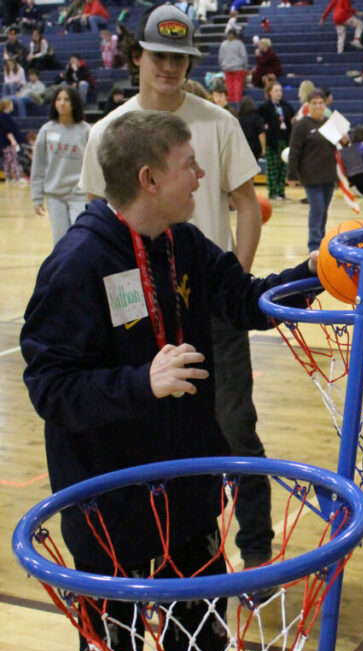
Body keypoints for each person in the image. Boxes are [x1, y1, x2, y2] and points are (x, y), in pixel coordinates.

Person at [22, 108, 317, 651]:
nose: (202, 177)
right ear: (148, 180)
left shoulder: (183, 242)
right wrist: (140, 383)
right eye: (189, 166)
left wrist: (318, 273)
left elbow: (244, 299)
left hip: (186, 495)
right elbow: (50, 387)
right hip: (111, 511)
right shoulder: (78, 263)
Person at [80, 4, 276, 573]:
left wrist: (230, 286)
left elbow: (247, 206)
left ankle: (257, 549)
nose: (169, 66)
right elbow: (99, 224)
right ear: (138, 56)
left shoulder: (218, 123)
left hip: (208, 305)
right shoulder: (107, 132)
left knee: (236, 429)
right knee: (155, 434)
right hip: (139, 316)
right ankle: (168, 551)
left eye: (180, 57)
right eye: (159, 55)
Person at [31, 86, 89, 242]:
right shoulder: (46, 130)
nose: (62, 103)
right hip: (55, 195)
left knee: (80, 239)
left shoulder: (86, 131)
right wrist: (36, 197)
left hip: (79, 195)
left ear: (74, 103)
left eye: (66, 99)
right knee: (60, 241)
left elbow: (93, 165)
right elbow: (38, 165)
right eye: (58, 99)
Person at [286, 89, 336, 252]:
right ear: (308, 105)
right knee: (317, 208)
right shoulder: (302, 125)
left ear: (325, 105)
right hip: (310, 175)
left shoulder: (330, 123)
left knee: (324, 210)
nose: (318, 106)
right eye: (314, 103)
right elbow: (294, 150)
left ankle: (322, 239)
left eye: (320, 103)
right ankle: (314, 244)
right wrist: (292, 175)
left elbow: (340, 147)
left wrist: (345, 140)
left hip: (328, 174)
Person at [257, 79, 293, 201]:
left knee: (283, 168)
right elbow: (259, 122)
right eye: (276, 90)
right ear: (270, 92)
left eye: (280, 90)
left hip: (284, 139)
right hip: (272, 141)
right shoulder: (265, 107)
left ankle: (281, 192)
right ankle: (273, 192)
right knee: (273, 168)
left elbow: (291, 120)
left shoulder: (286, 105)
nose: (279, 93)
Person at [0, 96, 25, 182]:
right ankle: (17, 177)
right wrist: (13, 141)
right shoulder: (5, 117)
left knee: (7, 160)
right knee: (13, 159)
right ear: (7, 106)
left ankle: (8, 177)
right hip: (9, 143)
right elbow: (8, 131)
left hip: (5, 143)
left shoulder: (3, 116)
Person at [218, 28, 246, 105]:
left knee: (229, 87)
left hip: (227, 68)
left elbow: (220, 58)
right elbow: (244, 57)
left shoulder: (223, 44)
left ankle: (230, 104)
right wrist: (245, 67)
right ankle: (237, 104)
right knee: (237, 87)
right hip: (238, 68)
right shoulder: (239, 44)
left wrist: (222, 65)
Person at [237, 94, 264, 173]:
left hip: (242, 147)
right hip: (254, 147)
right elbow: (261, 134)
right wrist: (263, 148)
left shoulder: (238, 118)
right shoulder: (256, 118)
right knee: (252, 170)